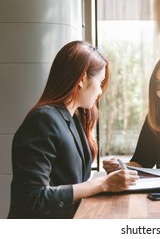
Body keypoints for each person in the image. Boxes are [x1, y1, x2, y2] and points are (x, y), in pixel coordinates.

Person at [8, 41, 138, 219]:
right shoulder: (42, 120)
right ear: (83, 79)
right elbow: (32, 198)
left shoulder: (73, 119)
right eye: (100, 82)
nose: (100, 91)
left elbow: (70, 180)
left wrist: (109, 177)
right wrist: (101, 184)